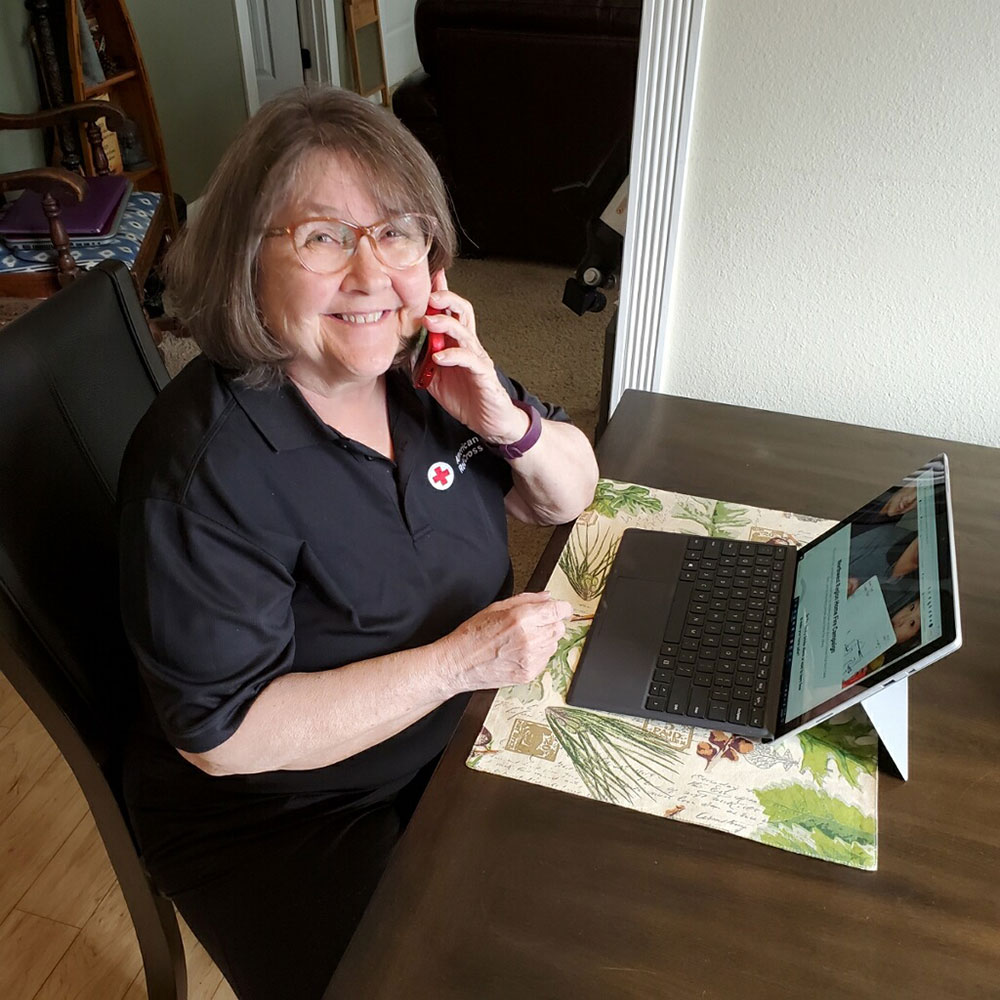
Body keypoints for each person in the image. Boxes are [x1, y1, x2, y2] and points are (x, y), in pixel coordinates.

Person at [118, 85, 599, 1000]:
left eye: (399, 232)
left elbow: (570, 494)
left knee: (611, 905)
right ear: (244, 261)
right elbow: (228, 739)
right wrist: (461, 662)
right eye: (324, 236)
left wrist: (504, 419)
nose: (373, 273)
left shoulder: (429, 372)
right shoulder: (205, 468)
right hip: (285, 814)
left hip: (451, 738)